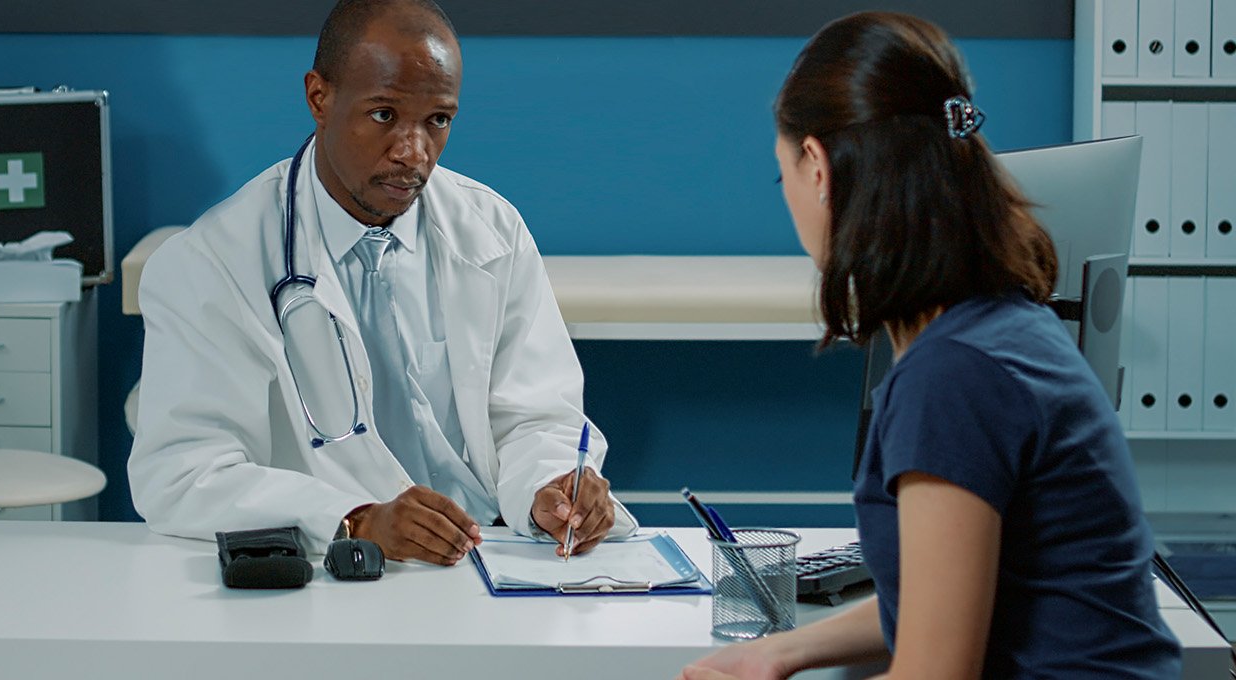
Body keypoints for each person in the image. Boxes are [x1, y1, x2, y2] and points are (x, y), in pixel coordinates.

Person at [682, 11, 1181, 680]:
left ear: (817, 166)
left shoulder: (952, 377)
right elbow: (934, 597)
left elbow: (933, 671)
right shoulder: (1003, 328)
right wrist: (781, 650)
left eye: (784, 179)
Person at [129, 0, 635, 564]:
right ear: (319, 97)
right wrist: (354, 518)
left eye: (437, 120)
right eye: (384, 115)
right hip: (332, 568)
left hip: (490, 556)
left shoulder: (492, 231)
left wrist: (552, 487)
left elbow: (536, 414)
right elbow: (182, 475)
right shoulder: (214, 261)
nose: (412, 153)